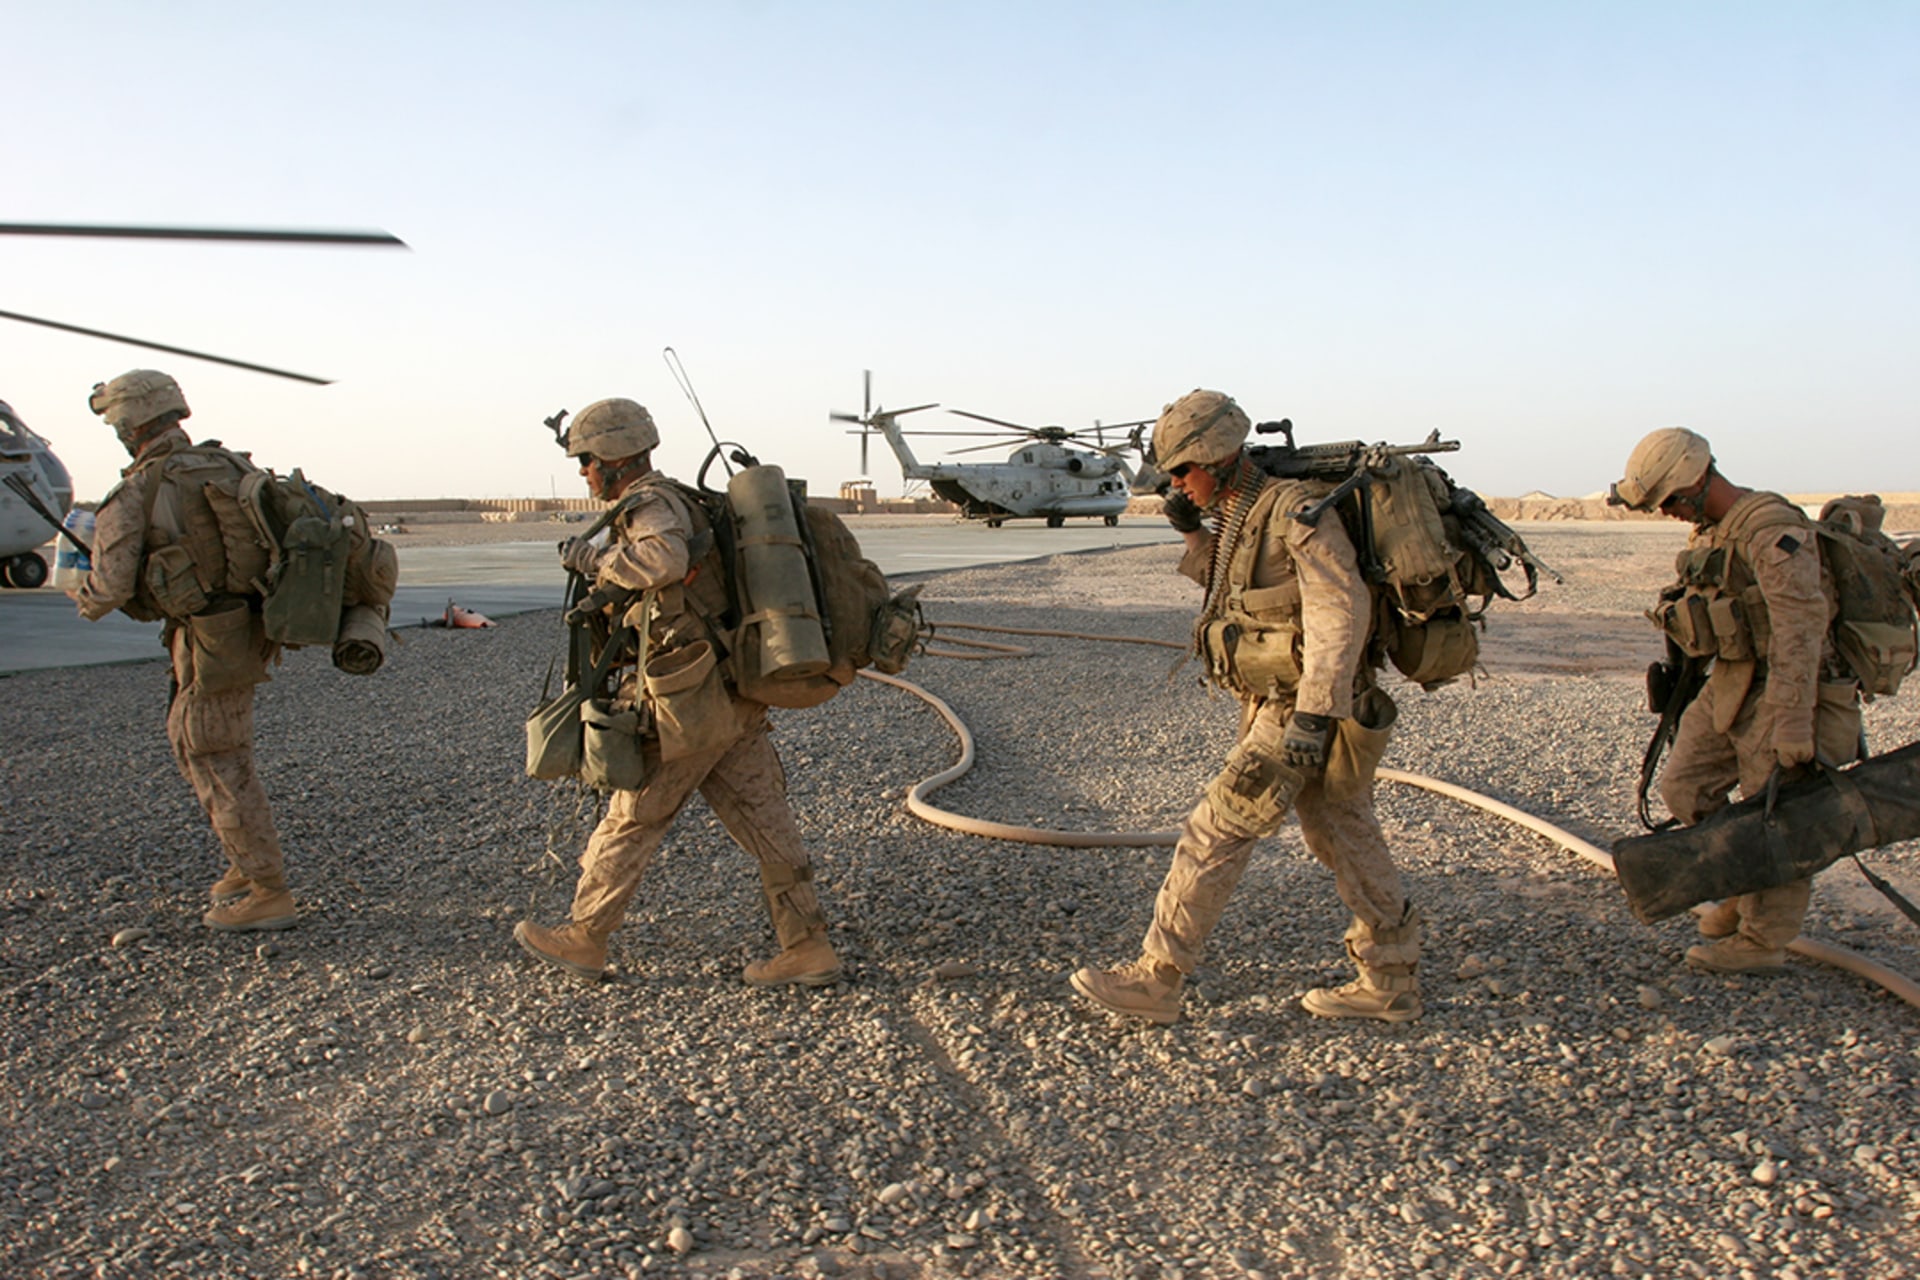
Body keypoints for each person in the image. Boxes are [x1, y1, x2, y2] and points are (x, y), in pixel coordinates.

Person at [1071, 390, 1421, 1025]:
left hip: (1301, 709)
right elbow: (1230, 586)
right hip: (1288, 703)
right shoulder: (1245, 510)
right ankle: (1390, 977)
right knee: (1341, 832)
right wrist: (1189, 528)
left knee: (1217, 830)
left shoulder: (1296, 511)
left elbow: (1340, 610)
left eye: (1183, 471)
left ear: (1216, 457)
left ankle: (1159, 978)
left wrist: (1315, 716)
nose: (1177, 483)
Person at [513, 398, 843, 988]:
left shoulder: (651, 504)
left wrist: (595, 557)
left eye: (587, 460)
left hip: (689, 699)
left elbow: (663, 558)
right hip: (730, 693)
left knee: (634, 813)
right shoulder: (678, 500)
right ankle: (807, 945)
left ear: (614, 459)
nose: (584, 472)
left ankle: (585, 938)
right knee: (764, 815)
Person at [1609, 427, 1859, 973]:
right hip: (1733, 680)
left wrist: (1794, 720)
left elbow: (1801, 626)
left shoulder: (1770, 528)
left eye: (1671, 500)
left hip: (1790, 684)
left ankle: (1763, 940)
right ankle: (1744, 889)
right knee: (1684, 785)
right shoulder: (1715, 532)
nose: (1669, 512)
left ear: (1698, 478)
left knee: (1780, 815)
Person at [69, 370, 296, 932]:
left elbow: (111, 586)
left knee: (215, 752)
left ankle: (269, 890)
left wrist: (81, 593)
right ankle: (244, 865)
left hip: (209, 635)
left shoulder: (140, 488)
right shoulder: (228, 467)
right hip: (243, 627)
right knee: (197, 742)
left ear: (131, 422)